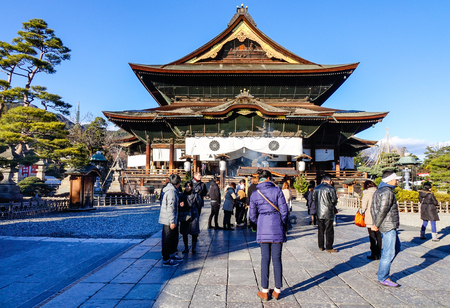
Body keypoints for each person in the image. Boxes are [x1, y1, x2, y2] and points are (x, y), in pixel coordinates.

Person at [249, 169, 289, 301]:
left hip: (262, 228)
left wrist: (260, 222)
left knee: (264, 259)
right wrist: (282, 224)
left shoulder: (255, 194)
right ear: (269, 178)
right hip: (276, 227)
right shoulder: (277, 190)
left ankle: (265, 291)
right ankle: (277, 290)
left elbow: (252, 216)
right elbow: (284, 211)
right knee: (277, 259)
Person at [371, 170, 402, 287]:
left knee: (396, 247)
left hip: (387, 223)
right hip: (388, 224)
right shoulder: (387, 192)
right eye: (395, 179)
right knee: (389, 252)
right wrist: (376, 224)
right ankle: (383, 276)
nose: (397, 181)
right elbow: (382, 209)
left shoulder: (379, 190)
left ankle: (382, 269)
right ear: (389, 180)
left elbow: (373, 208)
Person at [158, 174, 183, 266]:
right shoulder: (171, 192)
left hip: (168, 218)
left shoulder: (169, 190)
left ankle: (172, 254)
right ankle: (166, 259)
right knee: (167, 239)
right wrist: (172, 221)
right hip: (168, 219)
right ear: (178, 183)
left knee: (172, 238)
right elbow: (170, 208)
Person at [313, 175, 338, 253]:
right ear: (329, 181)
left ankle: (321, 246)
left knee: (320, 229)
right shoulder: (331, 188)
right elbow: (334, 200)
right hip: (328, 211)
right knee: (329, 230)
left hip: (319, 211)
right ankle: (329, 247)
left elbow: (314, 199)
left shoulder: (316, 188)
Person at [361, 180, 381, 260]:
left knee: (372, 236)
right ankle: (379, 253)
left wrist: (361, 212)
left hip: (370, 216)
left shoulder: (367, 193)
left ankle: (373, 253)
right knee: (379, 236)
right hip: (379, 216)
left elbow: (364, 206)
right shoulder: (379, 192)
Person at [179, 182, 201, 254]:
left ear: (191, 187)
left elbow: (199, 204)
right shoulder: (181, 195)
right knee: (185, 233)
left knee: (194, 233)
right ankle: (186, 247)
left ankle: (193, 248)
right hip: (185, 215)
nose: (187, 187)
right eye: (186, 186)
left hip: (193, 215)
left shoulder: (195, 195)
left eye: (189, 186)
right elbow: (178, 205)